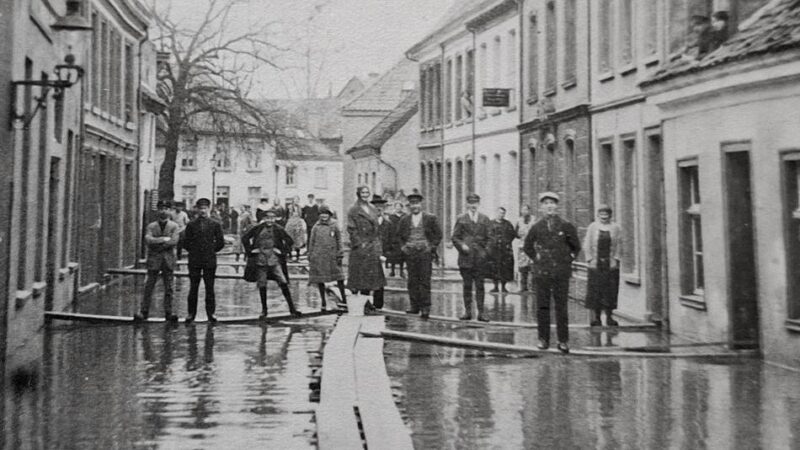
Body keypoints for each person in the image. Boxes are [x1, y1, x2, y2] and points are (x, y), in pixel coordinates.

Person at [523, 192, 581, 353]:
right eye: (546, 203)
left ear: (557, 206)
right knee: (543, 306)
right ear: (541, 207)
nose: (550, 206)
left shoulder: (565, 226)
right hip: (542, 273)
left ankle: (563, 341)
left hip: (561, 273)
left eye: (552, 203)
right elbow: (527, 246)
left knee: (561, 307)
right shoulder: (537, 227)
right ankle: (543, 339)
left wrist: (567, 259)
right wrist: (536, 258)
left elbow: (576, 247)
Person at [242, 208, 302, 318]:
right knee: (262, 284)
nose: (269, 220)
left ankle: (292, 309)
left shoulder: (279, 229)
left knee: (283, 282)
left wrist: (282, 251)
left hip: (274, 260)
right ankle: (264, 311)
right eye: (267, 218)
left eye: (271, 218)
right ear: (264, 219)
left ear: (275, 219)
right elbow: (245, 238)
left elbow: (290, 241)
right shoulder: (257, 228)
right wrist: (251, 251)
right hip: (260, 260)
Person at [397, 193, 442, 319]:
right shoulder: (404, 220)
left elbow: (438, 235)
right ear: (409, 205)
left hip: (424, 253)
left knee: (424, 281)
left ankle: (425, 308)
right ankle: (414, 306)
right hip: (410, 253)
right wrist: (403, 247)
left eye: (417, 203)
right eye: (412, 204)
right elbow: (399, 236)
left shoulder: (430, 218)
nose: (414, 206)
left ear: (421, 204)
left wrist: (431, 247)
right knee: (412, 281)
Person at [135, 200, 180, 322]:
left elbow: (174, 241)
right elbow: (148, 240)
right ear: (157, 211)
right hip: (154, 260)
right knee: (148, 286)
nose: (163, 211)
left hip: (168, 260)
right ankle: (144, 312)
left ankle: (169, 312)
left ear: (170, 211)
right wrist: (163, 239)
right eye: (161, 208)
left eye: (166, 208)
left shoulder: (174, 226)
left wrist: (158, 243)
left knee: (169, 287)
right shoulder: (151, 226)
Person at [182, 198, 225, 323]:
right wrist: (195, 251)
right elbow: (185, 243)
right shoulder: (191, 225)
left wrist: (210, 250)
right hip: (194, 260)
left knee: (209, 288)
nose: (203, 211)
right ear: (197, 209)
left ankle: (211, 313)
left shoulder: (215, 224)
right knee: (193, 287)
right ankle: (191, 313)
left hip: (209, 260)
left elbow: (220, 242)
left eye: (205, 208)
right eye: (200, 208)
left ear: (209, 209)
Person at [346, 185, 386, 310]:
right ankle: (364, 304)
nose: (365, 195)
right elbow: (352, 229)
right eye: (362, 193)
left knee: (373, 277)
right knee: (361, 277)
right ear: (358, 194)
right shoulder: (353, 210)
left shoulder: (372, 208)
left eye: (367, 193)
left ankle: (373, 304)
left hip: (372, 246)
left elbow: (377, 229)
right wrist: (359, 243)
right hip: (361, 247)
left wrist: (377, 245)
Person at [452, 193, 491, 322]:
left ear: (478, 204)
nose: (473, 205)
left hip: (480, 258)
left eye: (475, 203)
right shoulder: (461, 218)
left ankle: (481, 313)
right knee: (467, 285)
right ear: (467, 204)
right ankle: (468, 312)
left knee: (480, 286)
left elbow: (490, 238)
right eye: (470, 203)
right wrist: (462, 245)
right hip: (466, 258)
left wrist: (485, 252)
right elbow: (455, 237)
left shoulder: (485, 219)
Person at [584, 205, 622, 327]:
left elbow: (620, 245)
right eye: (602, 214)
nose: (604, 217)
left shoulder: (616, 228)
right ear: (598, 215)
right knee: (596, 291)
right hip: (596, 264)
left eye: (606, 215)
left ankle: (610, 317)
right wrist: (590, 259)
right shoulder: (592, 227)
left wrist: (616, 259)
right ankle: (597, 318)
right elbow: (587, 244)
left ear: (610, 215)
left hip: (610, 265)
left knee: (610, 291)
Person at [308, 206, 348, 310]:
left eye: (326, 213)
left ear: (329, 215)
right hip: (319, 256)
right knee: (320, 279)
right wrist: (311, 255)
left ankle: (344, 299)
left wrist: (340, 253)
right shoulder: (316, 227)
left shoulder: (334, 225)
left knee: (339, 277)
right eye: (322, 213)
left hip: (332, 256)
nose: (324, 216)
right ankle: (323, 301)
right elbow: (311, 242)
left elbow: (339, 239)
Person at [487, 207, 516, 293]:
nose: (501, 215)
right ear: (496, 213)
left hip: (504, 250)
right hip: (494, 250)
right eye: (499, 213)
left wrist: (506, 241)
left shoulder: (507, 224)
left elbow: (512, 234)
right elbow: (488, 234)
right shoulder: (490, 223)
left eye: (503, 213)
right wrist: (493, 242)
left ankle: (503, 286)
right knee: (494, 268)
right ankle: (495, 286)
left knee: (505, 268)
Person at [515, 204, 536, 293]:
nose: (524, 212)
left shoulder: (534, 220)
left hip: (532, 246)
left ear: (529, 211)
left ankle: (532, 287)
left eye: (526, 210)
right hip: (522, 247)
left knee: (532, 267)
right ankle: (522, 287)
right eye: (522, 210)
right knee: (522, 268)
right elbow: (515, 233)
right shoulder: (519, 220)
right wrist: (519, 235)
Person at [387, 201, 406, 277]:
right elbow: (389, 228)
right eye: (396, 207)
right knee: (393, 256)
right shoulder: (391, 217)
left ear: (402, 207)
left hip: (401, 238)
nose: (398, 208)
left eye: (399, 206)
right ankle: (392, 271)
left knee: (402, 256)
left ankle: (402, 271)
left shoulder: (405, 216)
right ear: (395, 208)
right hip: (393, 238)